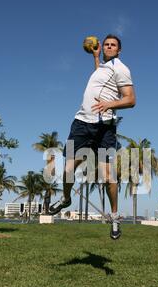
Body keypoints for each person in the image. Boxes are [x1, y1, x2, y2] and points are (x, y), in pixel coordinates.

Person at [48, 34, 136, 239]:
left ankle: (114, 217)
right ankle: (66, 199)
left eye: (113, 45)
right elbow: (101, 82)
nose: (108, 47)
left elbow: (131, 99)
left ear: (119, 50)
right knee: (69, 169)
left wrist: (109, 104)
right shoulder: (104, 68)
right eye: (106, 44)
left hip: (104, 129)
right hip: (81, 124)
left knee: (108, 176)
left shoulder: (121, 68)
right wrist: (96, 59)